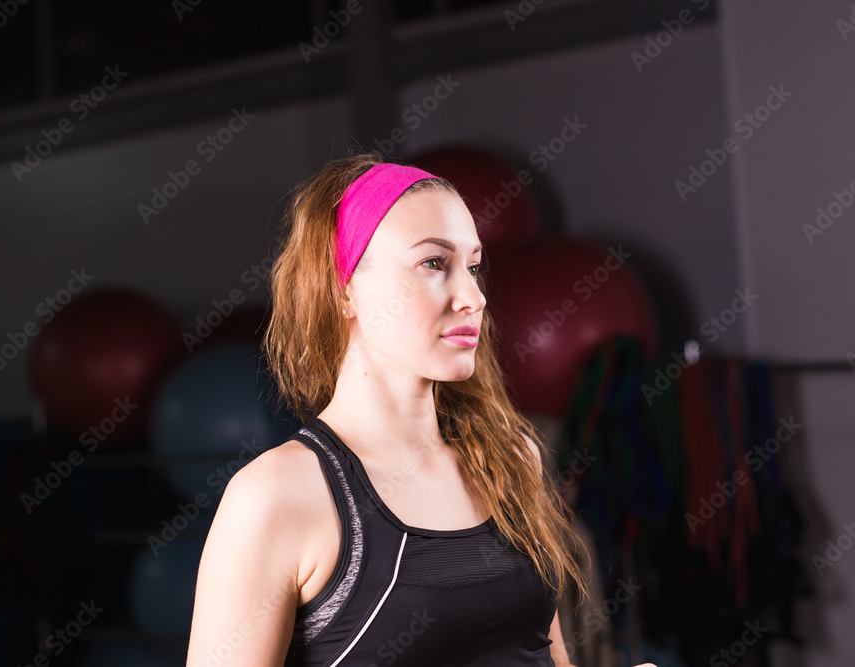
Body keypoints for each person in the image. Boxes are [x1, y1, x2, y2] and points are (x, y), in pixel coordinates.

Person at [185, 153, 658, 667]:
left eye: (473, 267)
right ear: (344, 289)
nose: (473, 297)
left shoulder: (511, 458)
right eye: (434, 263)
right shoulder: (277, 495)